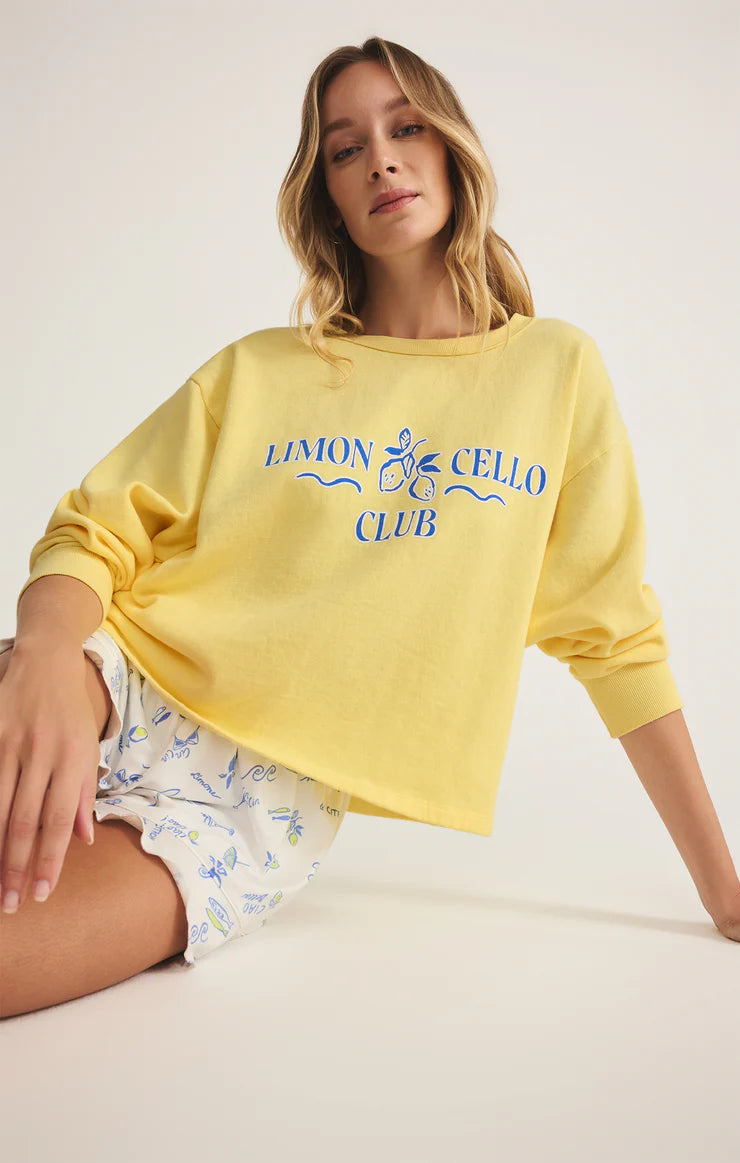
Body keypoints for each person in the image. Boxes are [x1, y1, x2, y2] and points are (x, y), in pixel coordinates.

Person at [2, 37, 739, 1020]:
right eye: (347, 149)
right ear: (330, 198)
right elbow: (93, 529)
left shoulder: (554, 371)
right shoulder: (260, 370)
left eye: (408, 129)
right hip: (116, 678)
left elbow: (615, 637)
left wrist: (723, 888)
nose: (382, 160)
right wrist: (50, 651)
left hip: (259, 805)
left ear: (452, 152)